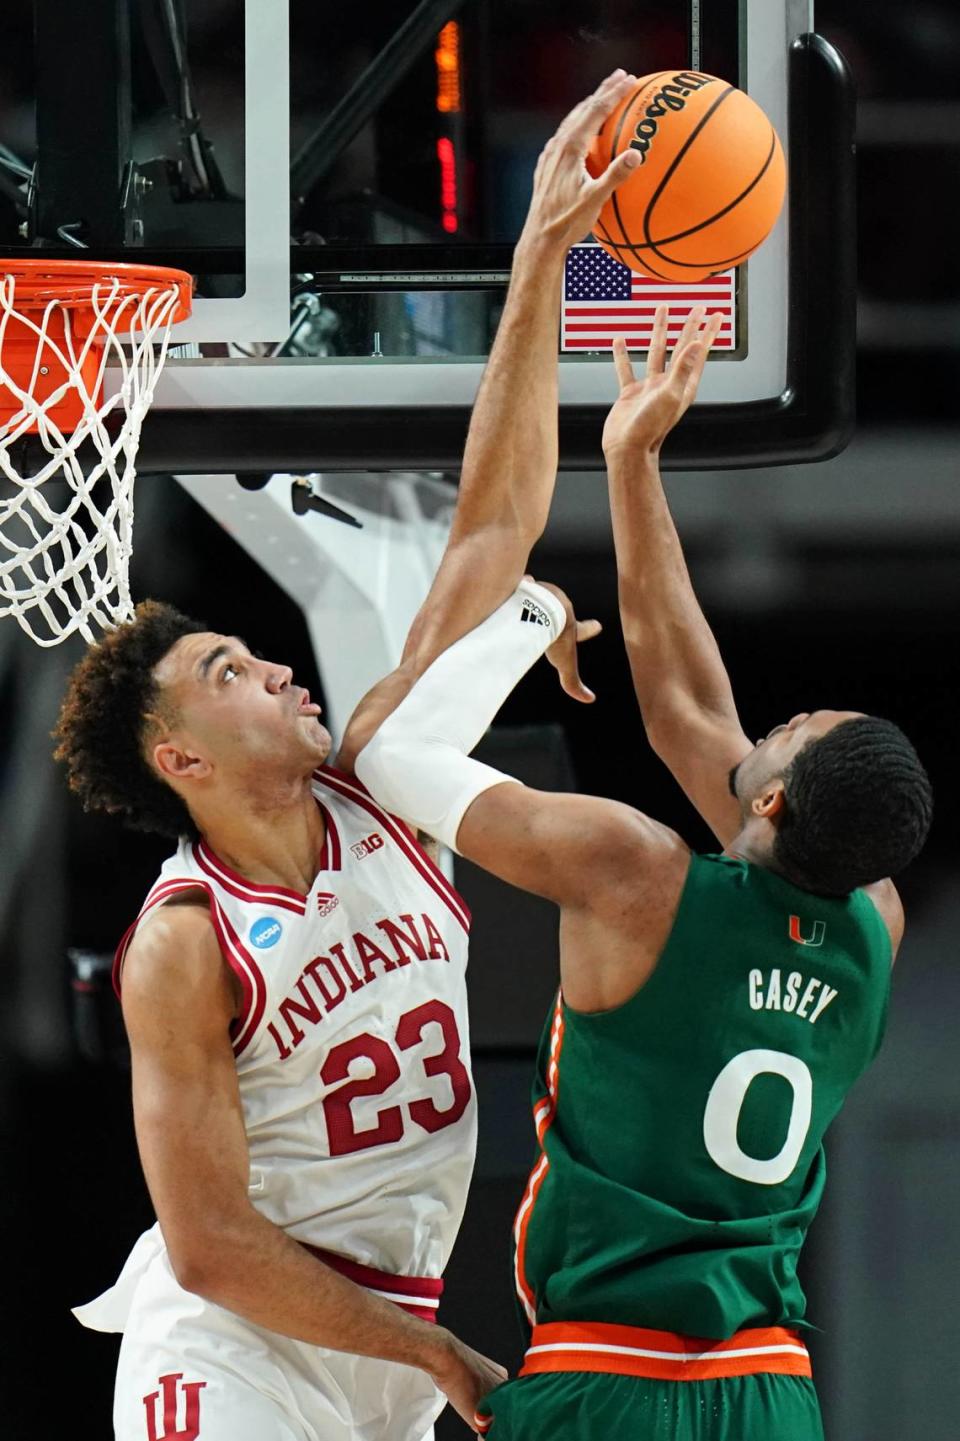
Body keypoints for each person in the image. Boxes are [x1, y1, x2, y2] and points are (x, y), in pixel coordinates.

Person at [53, 69, 645, 1441]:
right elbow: (206, 1245)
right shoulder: (188, 942)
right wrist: (434, 1355)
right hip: (235, 1348)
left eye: (254, 655)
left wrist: (547, 258)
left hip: (386, 1342)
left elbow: (489, 532)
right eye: (226, 675)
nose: (270, 664)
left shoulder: (386, 772)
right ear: (179, 759)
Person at [351, 308, 934, 1441]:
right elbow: (689, 717)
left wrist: (527, 615)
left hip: (608, 1374)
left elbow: (389, 755)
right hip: (768, 1388)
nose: (782, 714)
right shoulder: (875, 920)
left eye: (802, 723)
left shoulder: (638, 872)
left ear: (769, 799)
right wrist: (632, 460)